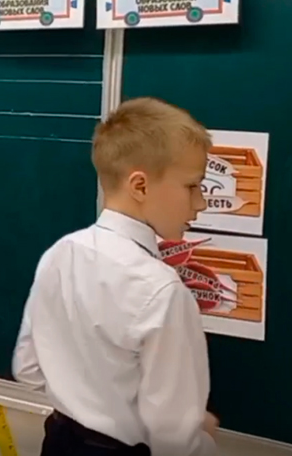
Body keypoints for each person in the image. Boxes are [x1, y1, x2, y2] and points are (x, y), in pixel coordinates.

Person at [12, 97, 220, 456]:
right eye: (192, 186)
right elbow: (174, 441)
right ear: (140, 186)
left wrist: (91, 401)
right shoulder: (162, 290)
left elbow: (28, 369)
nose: (200, 203)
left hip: (58, 443)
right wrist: (202, 436)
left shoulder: (60, 253)